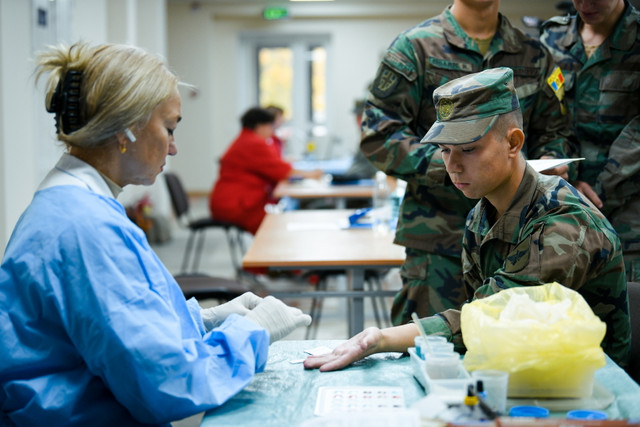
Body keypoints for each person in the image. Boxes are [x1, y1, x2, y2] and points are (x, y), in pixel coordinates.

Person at [0, 42, 312, 426]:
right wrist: (251, 332)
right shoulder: (87, 228)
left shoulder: (69, 206)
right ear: (124, 127)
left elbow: (106, 330)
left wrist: (202, 321)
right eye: (169, 127)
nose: (175, 147)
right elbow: (169, 385)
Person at [305, 68, 630, 372]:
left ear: (513, 143)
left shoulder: (565, 223)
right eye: (445, 150)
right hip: (527, 367)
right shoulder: (481, 213)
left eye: (469, 149)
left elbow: (492, 317)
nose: (453, 165)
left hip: (590, 385)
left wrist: (381, 339)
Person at [360, 0, 574, 327]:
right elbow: (379, 134)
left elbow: (554, 129)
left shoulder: (534, 54)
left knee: (515, 349)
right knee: (427, 349)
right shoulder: (416, 47)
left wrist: (550, 158)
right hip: (441, 236)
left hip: (520, 234)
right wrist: (454, 165)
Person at [540, 0, 640, 281]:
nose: (585, 4)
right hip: (564, 209)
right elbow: (549, 115)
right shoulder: (553, 37)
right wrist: (559, 168)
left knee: (628, 310)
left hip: (626, 213)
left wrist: (597, 190)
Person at [209, 107, 322, 235]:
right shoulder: (254, 142)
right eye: (270, 127)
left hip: (230, 202)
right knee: (278, 230)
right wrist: (311, 174)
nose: (272, 131)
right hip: (236, 205)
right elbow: (281, 170)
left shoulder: (245, 139)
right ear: (260, 126)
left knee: (281, 224)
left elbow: (274, 166)